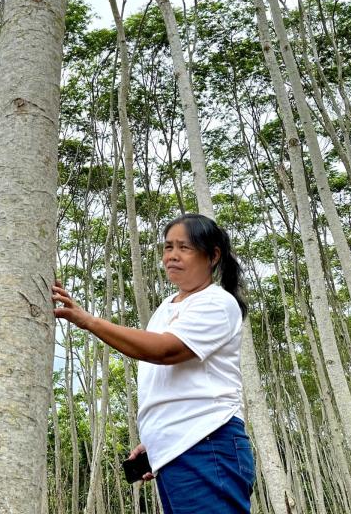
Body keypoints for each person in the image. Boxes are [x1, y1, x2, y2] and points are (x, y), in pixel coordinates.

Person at [52, 213, 255, 513]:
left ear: (213, 256)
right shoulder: (165, 308)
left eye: (184, 248)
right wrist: (157, 443)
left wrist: (89, 321)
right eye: (167, 247)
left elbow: (165, 351)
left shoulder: (217, 302)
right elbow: (168, 384)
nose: (172, 256)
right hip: (176, 451)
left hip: (208, 444)